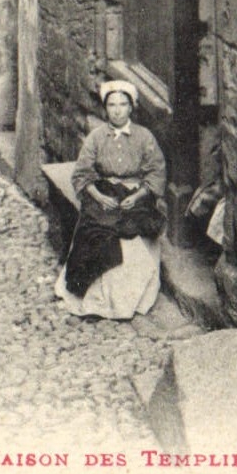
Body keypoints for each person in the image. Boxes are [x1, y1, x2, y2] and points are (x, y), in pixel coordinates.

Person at [54, 79, 167, 319]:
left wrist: (137, 196)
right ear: (106, 109)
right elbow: (82, 174)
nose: (117, 110)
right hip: (103, 192)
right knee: (95, 229)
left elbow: (156, 173)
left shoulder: (144, 137)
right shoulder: (96, 138)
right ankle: (96, 298)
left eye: (122, 104)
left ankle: (123, 302)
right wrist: (99, 196)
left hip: (135, 194)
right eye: (112, 105)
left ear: (131, 107)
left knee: (129, 229)